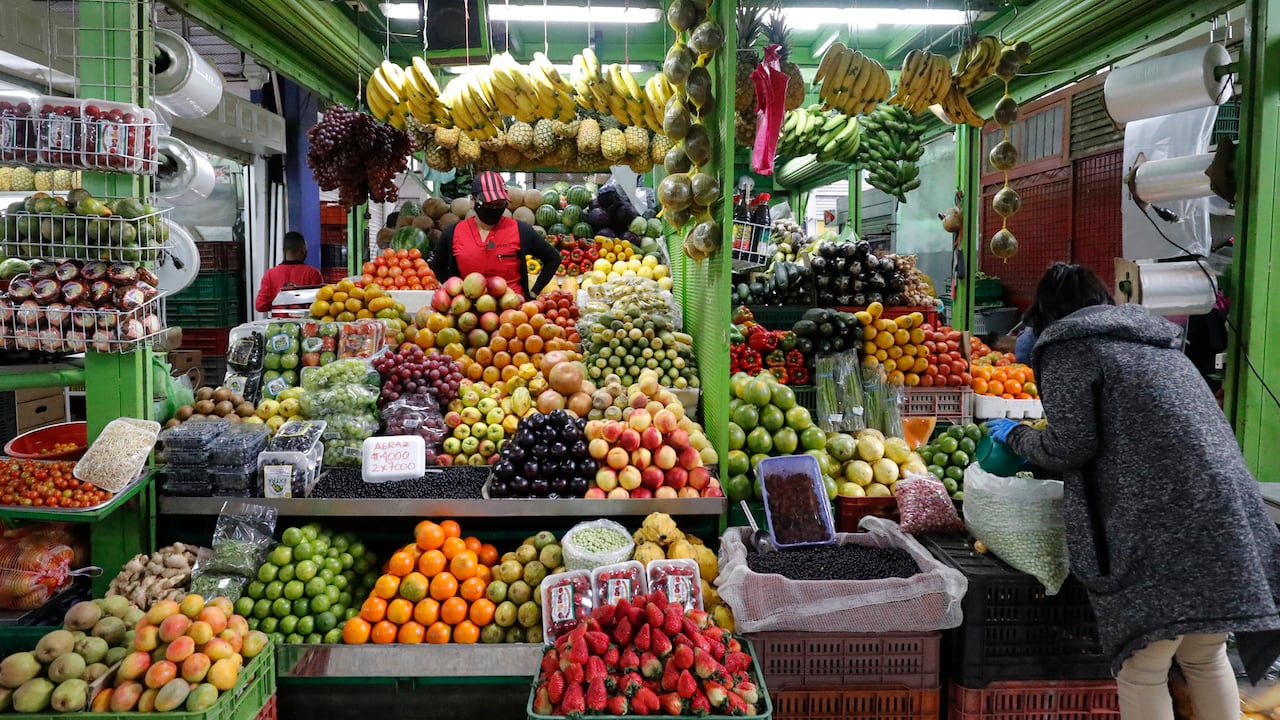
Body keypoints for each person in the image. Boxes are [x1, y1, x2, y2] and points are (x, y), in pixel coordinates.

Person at [985, 263, 1280, 720]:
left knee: (1142, 668)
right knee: (1204, 656)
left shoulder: (1070, 348)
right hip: (1228, 520)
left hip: (1162, 525)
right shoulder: (1160, 345)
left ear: (1047, 311)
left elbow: (1070, 444)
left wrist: (1015, 436)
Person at [429, 171, 561, 298]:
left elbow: (553, 258)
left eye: (500, 203)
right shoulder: (452, 233)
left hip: (513, 312)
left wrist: (533, 292)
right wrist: (453, 290)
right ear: (472, 201)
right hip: (468, 311)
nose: (495, 208)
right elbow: (437, 265)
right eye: (489, 204)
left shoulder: (521, 230)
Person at [255, 231, 323, 313]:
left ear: (284, 250)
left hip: (278, 325)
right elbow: (320, 304)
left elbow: (260, 305)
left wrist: (279, 304)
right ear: (303, 251)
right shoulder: (313, 273)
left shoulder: (270, 274)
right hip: (306, 324)